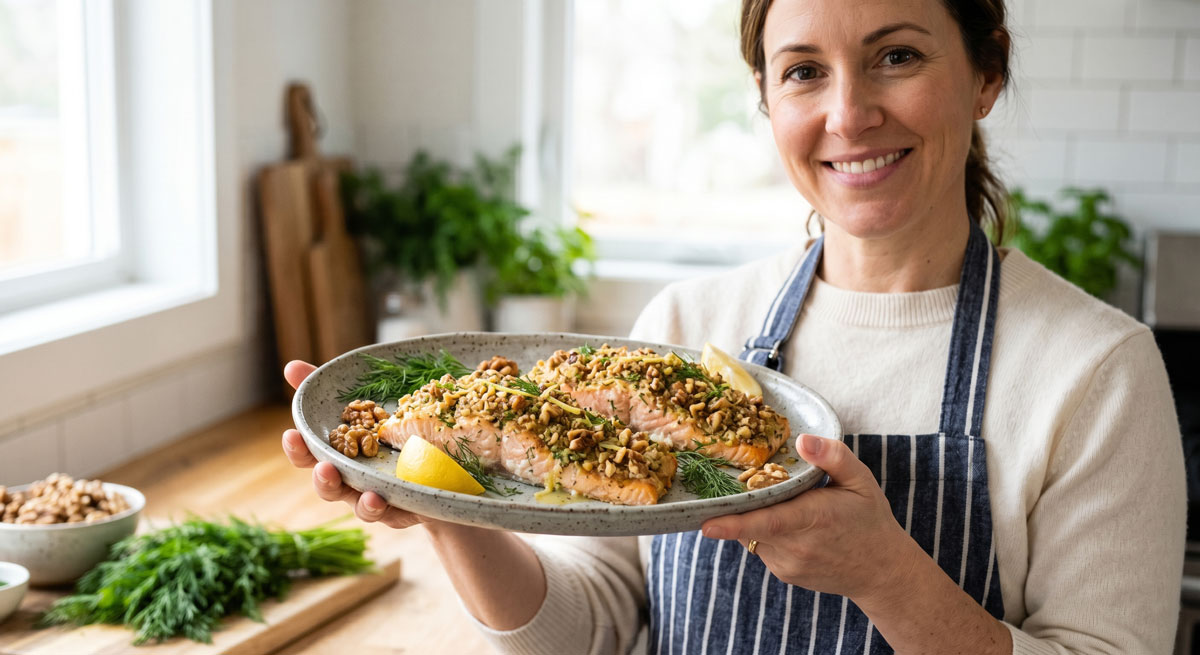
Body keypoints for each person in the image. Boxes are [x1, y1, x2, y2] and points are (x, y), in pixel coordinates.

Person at [281, 0, 1187, 652]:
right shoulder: (685, 325)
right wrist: (448, 505)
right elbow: (588, 629)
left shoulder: (1096, 370)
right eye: (803, 71)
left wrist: (888, 576)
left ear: (986, 73)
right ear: (765, 99)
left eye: (898, 56)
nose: (848, 114)